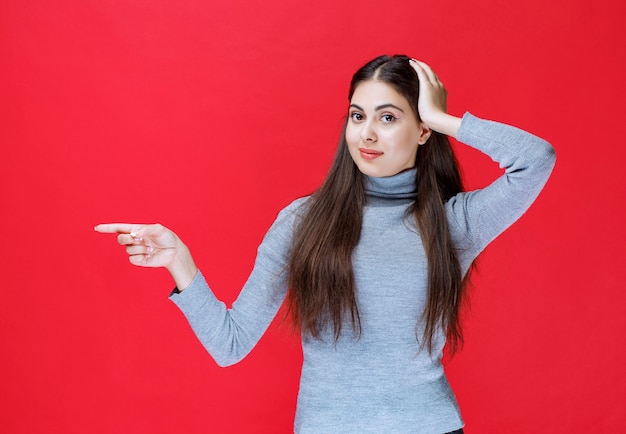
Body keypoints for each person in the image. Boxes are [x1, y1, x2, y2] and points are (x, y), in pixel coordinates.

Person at [95, 55, 556, 433]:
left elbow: (536, 160)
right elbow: (229, 345)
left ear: (421, 132)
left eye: (389, 117)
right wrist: (179, 261)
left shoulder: (454, 222)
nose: (367, 133)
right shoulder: (303, 222)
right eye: (358, 116)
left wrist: (443, 117)